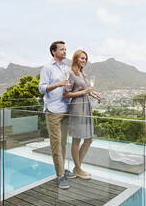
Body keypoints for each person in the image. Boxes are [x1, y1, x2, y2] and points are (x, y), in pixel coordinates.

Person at [39, 41, 76, 189]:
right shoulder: (47, 68)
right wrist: (58, 84)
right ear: (54, 52)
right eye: (62, 49)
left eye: (66, 49)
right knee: (56, 145)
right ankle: (60, 176)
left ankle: (63, 169)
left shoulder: (66, 68)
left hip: (65, 109)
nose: (65, 51)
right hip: (53, 111)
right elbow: (42, 88)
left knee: (62, 143)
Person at [63, 49, 101, 179]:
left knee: (89, 139)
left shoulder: (82, 74)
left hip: (86, 107)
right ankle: (78, 169)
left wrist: (94, 94)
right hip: (77, 108)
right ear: (76, 59)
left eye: (85, 58)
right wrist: (85, 92)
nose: (84, 60)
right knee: (77, 139)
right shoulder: (71, 73)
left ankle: (76, 167)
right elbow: (66, 94)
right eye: (82, 58)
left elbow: (86, 90)